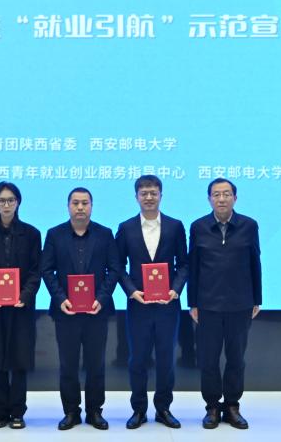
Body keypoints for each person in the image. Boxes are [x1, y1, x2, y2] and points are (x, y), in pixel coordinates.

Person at [41, 187, 121, 431]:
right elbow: (46, 269)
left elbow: (114, 269)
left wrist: (102, 298)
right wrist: (60, 298)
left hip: (96, 311)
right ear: (68, 206)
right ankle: (71, 411)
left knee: (96, 365)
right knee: (68, 365)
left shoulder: (105, 234)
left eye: (85, 203)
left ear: (91, 206)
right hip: (66, 312)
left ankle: (95, 411)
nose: (80, 207)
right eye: (75, 203)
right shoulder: (55, 234)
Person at [115, 174, 188, 430]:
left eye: (153, 193)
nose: (149, 197)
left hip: (168, 305)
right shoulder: (126, 228)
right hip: (138, 305)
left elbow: (184, 264)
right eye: (144, 193)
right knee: (137, 359)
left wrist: (176, 289)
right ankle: (138, 410)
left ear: (161, 195)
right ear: (136, 197)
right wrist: (131, 291)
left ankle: (163, 408)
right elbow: (117, 265)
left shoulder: (175, 226)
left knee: (166, 359)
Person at [188, 178, 261, 430]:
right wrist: (192, 302)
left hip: (240, 304)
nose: (221, 199)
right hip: (207, 305)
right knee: (208, 360)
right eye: (216, 194)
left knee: (236, 359)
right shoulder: (198, 227)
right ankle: (211, 407)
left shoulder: (249, 225)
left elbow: (255, 262)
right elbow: (194, 266)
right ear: (209, 199)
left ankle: (232, 406)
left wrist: (257, 298)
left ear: (235, 198)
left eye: (226, 194)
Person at [0, 182, 42, 429]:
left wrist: (25, 295)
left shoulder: (32, 234)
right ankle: (0, 411)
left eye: (11, 200)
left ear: (18, 203)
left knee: (20, 359)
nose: (6, 205)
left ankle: (18, 412)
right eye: (1, 200)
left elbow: (36, 270)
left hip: (21, 307)